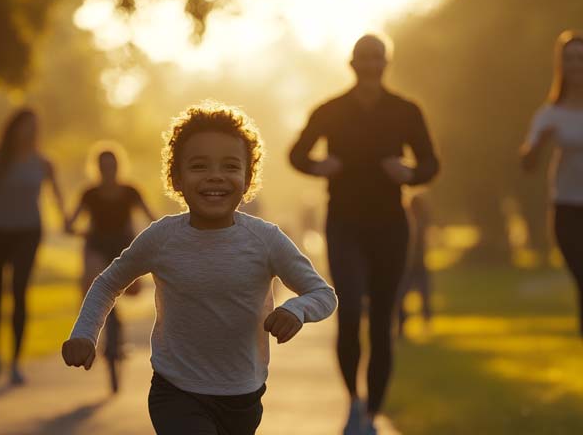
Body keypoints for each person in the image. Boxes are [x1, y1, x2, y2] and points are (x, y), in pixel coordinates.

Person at [63, 101, 337, 435]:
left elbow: (322, 294)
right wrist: (85, 333)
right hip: (175, 389)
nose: (215, 176)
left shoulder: (265, 240)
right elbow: (108, 284)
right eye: (199, 166)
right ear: (176, 178)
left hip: (243, 394)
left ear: (248, 177)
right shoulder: (162, 237)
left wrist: (296, 309)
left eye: (230, 166)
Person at [289, 34, 440, 435]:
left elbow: (430, 163)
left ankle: (373, 412)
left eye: (377, 58)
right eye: (363, 58)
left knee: (383, 320)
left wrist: (409, 173)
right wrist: (319, 166)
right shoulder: (331, 110)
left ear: (386, 63)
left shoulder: (405, 111)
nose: (371, 65)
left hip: (391, 225)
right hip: (345, 224)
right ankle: (354, 402)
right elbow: (297, 153)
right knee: (350, 310)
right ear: (352, 64)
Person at [0, 108, 67, 385]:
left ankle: (16, 362)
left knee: (19, 290)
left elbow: (56, 195)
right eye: (25, 126)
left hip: (27, 232)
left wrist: (66, 220)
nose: (30, 132)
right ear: (13, 129)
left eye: (34, 127)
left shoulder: (42, 163)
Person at [65, 142, 156, 392]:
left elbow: (151, 216)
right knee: (92, 281)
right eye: (104, 166)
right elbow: (71, 222)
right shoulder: (89, 194)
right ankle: (106, 329)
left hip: (123, 246)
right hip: (97, 245)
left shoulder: (130, 191)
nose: (108, 170)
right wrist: (74, 228)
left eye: (112, 166)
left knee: (134, 290)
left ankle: (116, 334)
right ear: (97, 168)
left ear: (119, 167)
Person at [521, 30, 583, 337]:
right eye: (569, 59)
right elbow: (528, 164)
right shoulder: (550, 114)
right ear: (562, 65)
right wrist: (538, 146)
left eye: (581, 58)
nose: (576, 65)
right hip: (568, 209)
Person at [397, 193, 432, 336]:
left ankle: (404, 325)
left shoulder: (410, 221)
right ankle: (405, 325)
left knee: (403, 296)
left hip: (410, 265)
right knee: (422, 294)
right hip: (414, 265)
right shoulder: (418, 222)